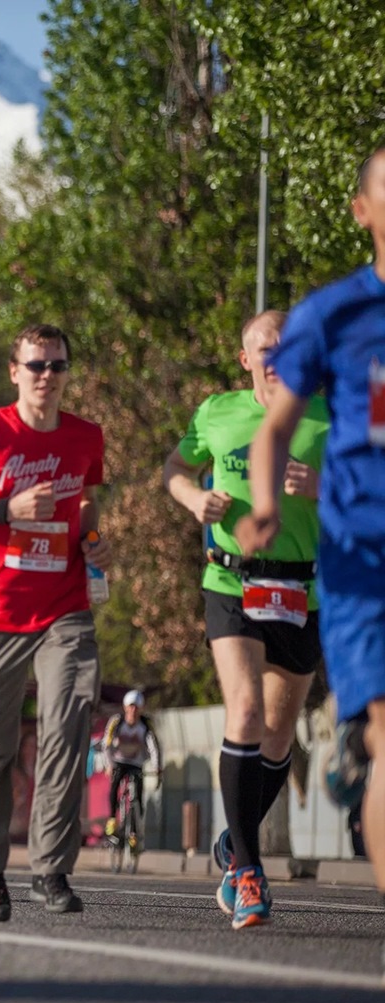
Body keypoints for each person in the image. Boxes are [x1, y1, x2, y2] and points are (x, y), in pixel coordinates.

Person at [238, 142, 385, 903]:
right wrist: (266, 504)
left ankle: (351, 744)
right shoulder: (335, 314)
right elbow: (272, 428)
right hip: (365, 554)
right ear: (363, 211)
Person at [0, 323, 109, 921]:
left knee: (67, 724)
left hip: (64, 605)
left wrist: (94, 540)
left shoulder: (86, 436)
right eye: (36, 365)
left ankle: (51, 869)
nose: (47, 377)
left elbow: (85, 503)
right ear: (15, 371)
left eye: (57, 366)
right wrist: (5, 509)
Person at [163, 309, 326, 927]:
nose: (278, 355)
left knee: (281, 734)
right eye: (266, 347)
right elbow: (175, 469)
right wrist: (192, 497)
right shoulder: (218, 412)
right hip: (232, 579)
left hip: (301, 589)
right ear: (245, 358)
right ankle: (251, 874)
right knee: (248, 714)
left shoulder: (327, 415)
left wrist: (323, 486)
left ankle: (237, 844)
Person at [102, 691, 161, 837]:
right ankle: (112, 818)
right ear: (125, 707)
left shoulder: (145, 725)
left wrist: (157, 767)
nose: (133, 711)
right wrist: (109, 765)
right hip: (119, 761)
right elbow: (106, 744)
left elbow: (154, 748)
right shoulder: (117, 722)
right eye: (130, 707)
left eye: (136, 708)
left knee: (138, 794)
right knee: (115, 785)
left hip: (136, 763)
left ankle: (134, 831)